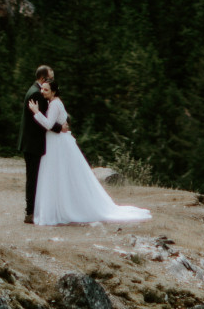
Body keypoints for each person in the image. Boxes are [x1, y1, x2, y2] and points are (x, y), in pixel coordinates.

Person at [30, 79, 150, 226]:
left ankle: (63, 209)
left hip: (58, 144)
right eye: (42, 89)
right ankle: (59, 207)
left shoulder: (54, 104)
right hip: (57, 142)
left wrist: (36, 112)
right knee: (59, 175)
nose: (42, 91)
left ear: (53, 91)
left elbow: (48, 124)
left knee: (59, 175)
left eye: (46, 90)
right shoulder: (53, 102)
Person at [19, 62, 56, 224]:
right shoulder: (37, 94)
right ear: (43, 78)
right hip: (33, 143)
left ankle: (32, 211)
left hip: (31, 142)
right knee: (33, 178)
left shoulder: (34, 90)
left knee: (33, 177)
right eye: (50, 79)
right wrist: (60, 127)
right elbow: (43, 121)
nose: (52, 82)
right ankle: (30, 213)